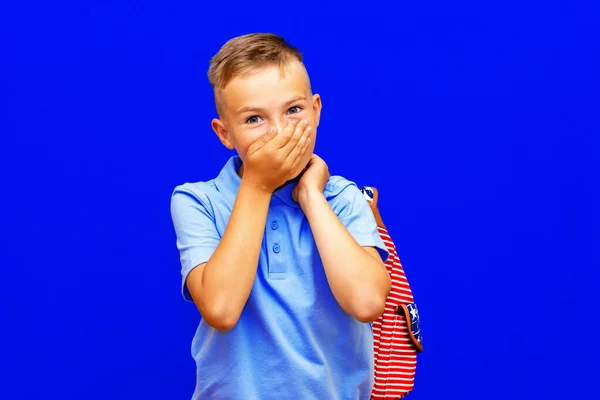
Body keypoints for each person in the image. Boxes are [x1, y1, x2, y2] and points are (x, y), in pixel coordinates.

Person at [170, 32, 391, 399]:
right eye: (254, 118)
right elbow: (221, 309)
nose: (279, 132)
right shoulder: (197, 201)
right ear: (225, 133)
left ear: (316, 110)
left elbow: (367, 302)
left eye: (293, 110)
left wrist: (311, 196)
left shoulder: (343, 199)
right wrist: (257, 185)